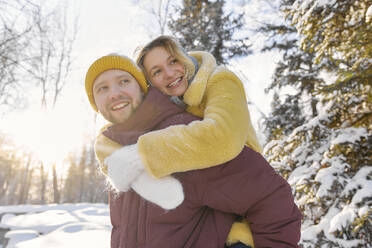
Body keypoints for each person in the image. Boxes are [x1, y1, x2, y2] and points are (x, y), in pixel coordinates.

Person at [85, 54, 302, 247]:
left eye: (124, 81)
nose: (114, 93)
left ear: (142, 88)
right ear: (95, 103)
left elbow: (271, 194)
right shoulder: (114, 154)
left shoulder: (182, 133)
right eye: (102, 88)